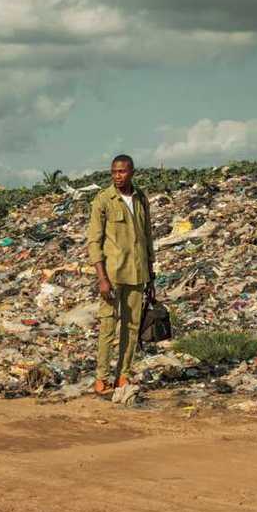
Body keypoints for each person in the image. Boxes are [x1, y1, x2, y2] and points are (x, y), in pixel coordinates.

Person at [86, 154, 155, 395]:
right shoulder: (103, 200)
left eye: (122, 172)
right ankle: (101, 378)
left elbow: (147, 237)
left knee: (132, 327)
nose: (118, 176)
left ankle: (123, 375)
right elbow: (94, 242)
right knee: (107, 326)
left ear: (132, 172)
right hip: (113, 274)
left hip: (137, 273)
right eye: (114, 172)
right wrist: (102, 278)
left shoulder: (140, 199)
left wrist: (151, 272)